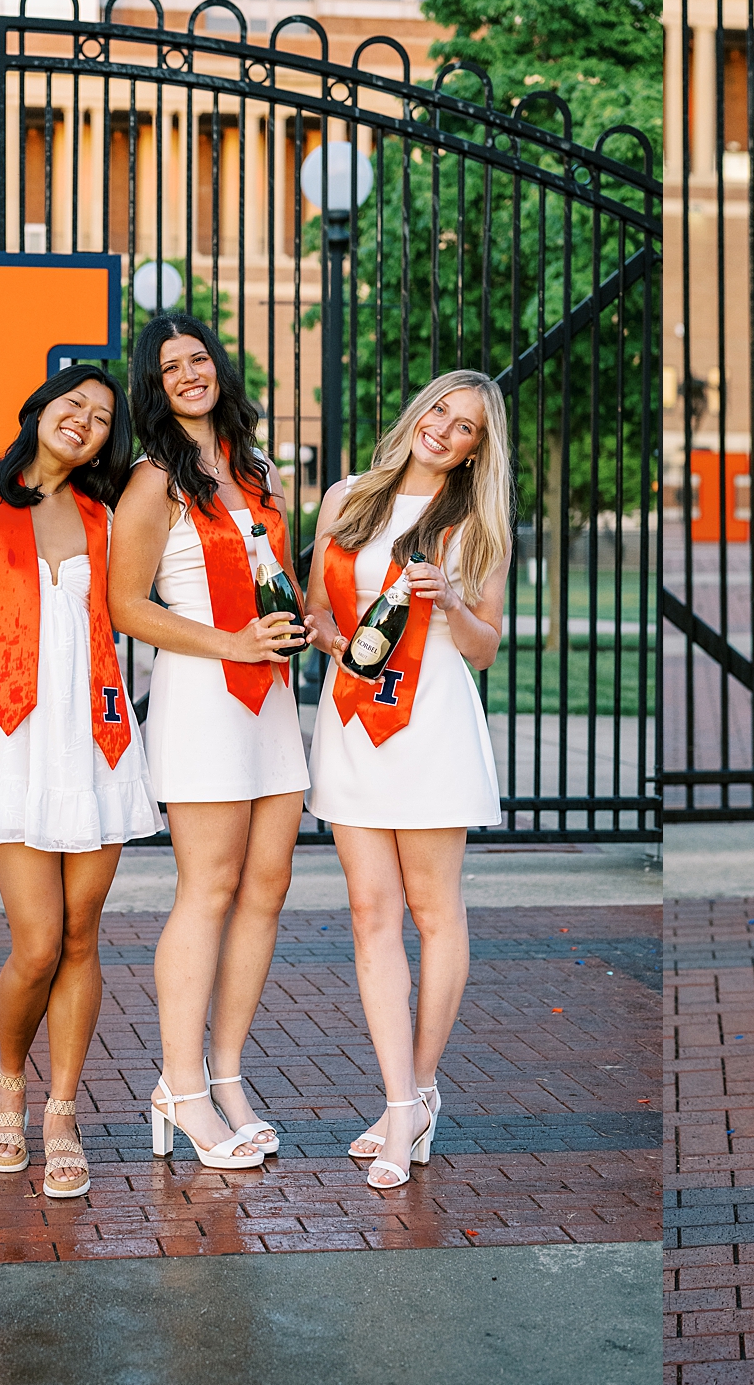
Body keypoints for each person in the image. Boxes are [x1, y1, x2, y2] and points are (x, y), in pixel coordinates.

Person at [0, 362, 160, 1198]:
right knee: (39, 941)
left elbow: (134, 609)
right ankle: (9, 1084)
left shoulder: (104, 515)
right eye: (72, 403)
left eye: (100, 415)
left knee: (83, 934)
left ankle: (62, 1109)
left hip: (95, 743)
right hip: (10, 745)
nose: (83, 419)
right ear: (39, 409)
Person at [302, 370, 511, 1191]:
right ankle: (398, 1101)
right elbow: (325, 613)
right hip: (353, 720)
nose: (446, 430)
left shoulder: (476, 523)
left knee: (433, 909)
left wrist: (448, 602)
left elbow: (486, 645)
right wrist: (321, 631)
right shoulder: (346, 499)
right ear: (418, 412)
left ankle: (417, 1093)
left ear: (473, 453)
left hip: (430, 723)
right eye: (441, 412)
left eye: (466, 429)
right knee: (368, 911)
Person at [110, 314, 308, 1171]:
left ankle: (227, 1076)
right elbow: (127, 605)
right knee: (210, 887)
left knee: (266, 889)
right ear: (153, 387)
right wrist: (232, 643)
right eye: (171, 367)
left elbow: (284, 583)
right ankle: (180, 1086)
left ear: (219, 368)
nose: (190, 373)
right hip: (204, 694)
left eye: (199, 359)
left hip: (270, 697)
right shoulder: (154, 479)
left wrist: (314, 631)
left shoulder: (257, 470)